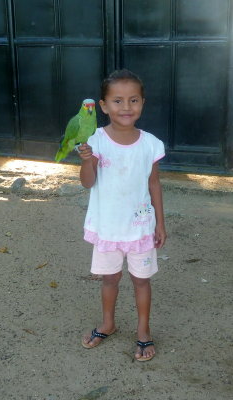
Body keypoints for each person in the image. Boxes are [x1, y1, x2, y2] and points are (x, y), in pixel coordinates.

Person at [79, 69, 167, 361]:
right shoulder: (95, 141)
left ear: (142, 103)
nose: (126, 107)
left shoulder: (151, 143)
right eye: (117, 101)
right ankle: (108, 323)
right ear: (103, 106)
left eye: (133, 100)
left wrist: (161, 223)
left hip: (141, 228)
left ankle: (144, 331)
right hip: (107, 229)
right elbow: (88, 182)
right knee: (110, 280)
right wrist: (87, 161)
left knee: (141, 281)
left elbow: (154, 183)